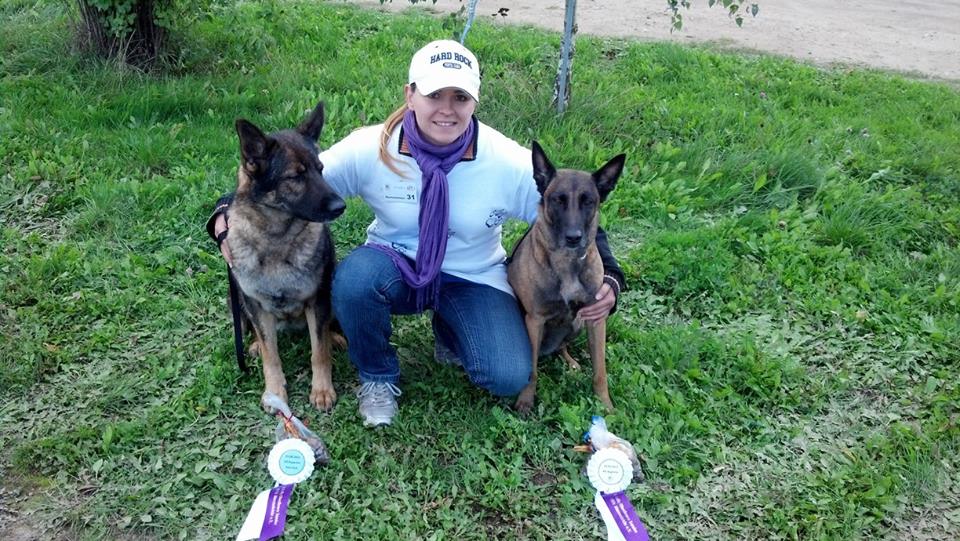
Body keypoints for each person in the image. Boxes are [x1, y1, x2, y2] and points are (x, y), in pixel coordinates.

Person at [207, 40, 626, 427]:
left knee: (507, 376)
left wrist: (609, 276)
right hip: (395, 264)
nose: (447, 109)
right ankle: (377, 377)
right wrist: (223, 220)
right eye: (434, 95)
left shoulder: (505, 161)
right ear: (410, 95)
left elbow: (574, 209)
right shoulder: (371, 146)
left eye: (460, 97)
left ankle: (452, 328)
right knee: (353, 281)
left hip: (472, 275)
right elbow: (279, 185)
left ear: (475, 101)